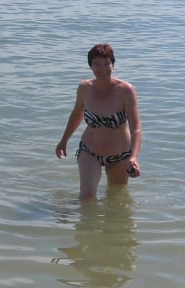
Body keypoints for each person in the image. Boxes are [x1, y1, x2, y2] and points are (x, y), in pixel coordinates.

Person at [55, 43, 142, 200]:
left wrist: (134, 157)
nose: (102, 69)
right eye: (97, 64)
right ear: (90, 66)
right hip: (90, 151)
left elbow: (136, 128)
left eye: (106, 63)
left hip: (120, 155)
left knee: (116, 197)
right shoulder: (84, 88)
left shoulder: (126, 91)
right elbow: (76, 116)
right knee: (86, 196)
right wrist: (63, 141)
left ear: (113, 64)